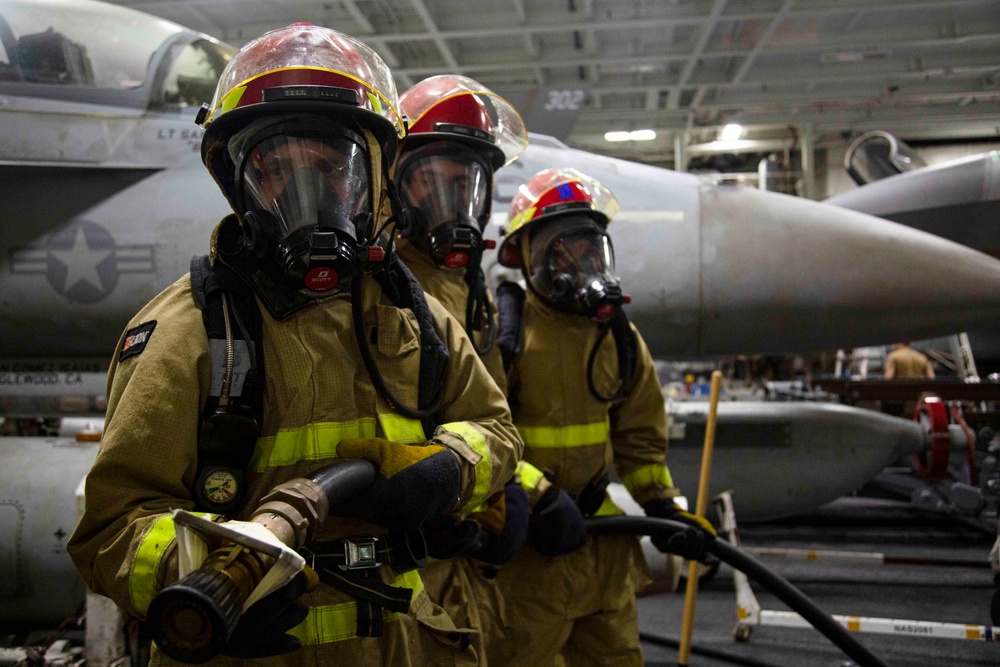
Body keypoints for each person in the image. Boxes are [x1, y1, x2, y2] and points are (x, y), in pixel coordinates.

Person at [67, 24, 521, 666]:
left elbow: (495, 429)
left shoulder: (412, 314)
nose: (304, 191)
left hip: (399, 643)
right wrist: (201, 577)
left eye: (331, 165)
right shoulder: (189, 330)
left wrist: (450, 467)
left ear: (371, 178)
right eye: (274, 168)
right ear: (239, 182)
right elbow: (114, 528)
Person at [487, 168, 707, 666]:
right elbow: (482, 430)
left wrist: (663, 506)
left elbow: (640, 441)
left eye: (589, 247)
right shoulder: (505, 337)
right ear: (523, 258)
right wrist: (537, 498)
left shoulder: (619, 340)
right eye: (558, 251)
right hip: (529, 561)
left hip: (601, 554)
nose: (578, 262)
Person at [391, 75, 531, 658]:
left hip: (463, 561)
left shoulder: (469, 291)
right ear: (395, 184)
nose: (454, 205)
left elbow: (490, 412)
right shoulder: (375, 289)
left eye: (466, 185)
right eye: (434, 182)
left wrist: (518, 486)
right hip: (397, 565)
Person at [882, 341, 935, 416]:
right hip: (917, 397)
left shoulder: (893, 356)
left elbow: (888, 378)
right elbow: (931, 377)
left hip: (899, 396)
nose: (892, 345)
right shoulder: (921, 357)